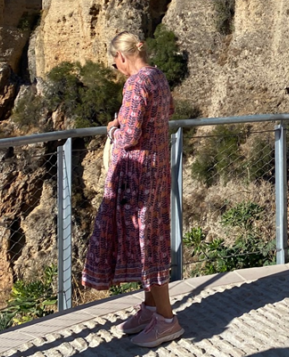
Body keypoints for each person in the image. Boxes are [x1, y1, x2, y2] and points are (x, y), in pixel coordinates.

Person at [82, 32, 183, 347]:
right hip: (157, 169)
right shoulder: (158, 77)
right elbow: (167, 113)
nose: (117, 70)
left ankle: (167, 320)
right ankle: (152, 308)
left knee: (147, 242)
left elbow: (128, 137)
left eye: (115, 64)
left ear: (122, 57)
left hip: (138, 175)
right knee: (149, 238)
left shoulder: (136, 83)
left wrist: (114, 129)